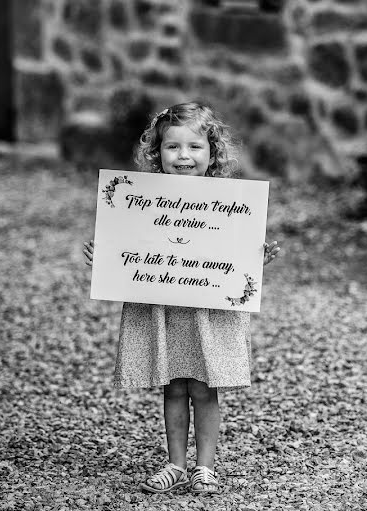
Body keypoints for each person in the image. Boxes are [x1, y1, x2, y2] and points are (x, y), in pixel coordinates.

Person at [83, 102, 281, 495]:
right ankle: (175, 463)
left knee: (205, 388)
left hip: (209, 310)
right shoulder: (143, 198)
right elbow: (129, 243)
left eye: (194, 147)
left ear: (212, 153)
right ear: (158, 153)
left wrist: (256, 258)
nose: (184, 156)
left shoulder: (230, 201)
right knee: (172, 386)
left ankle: (204, 467)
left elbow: (235, 251)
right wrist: (107, 257)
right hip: (164, 305)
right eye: (173, 147)